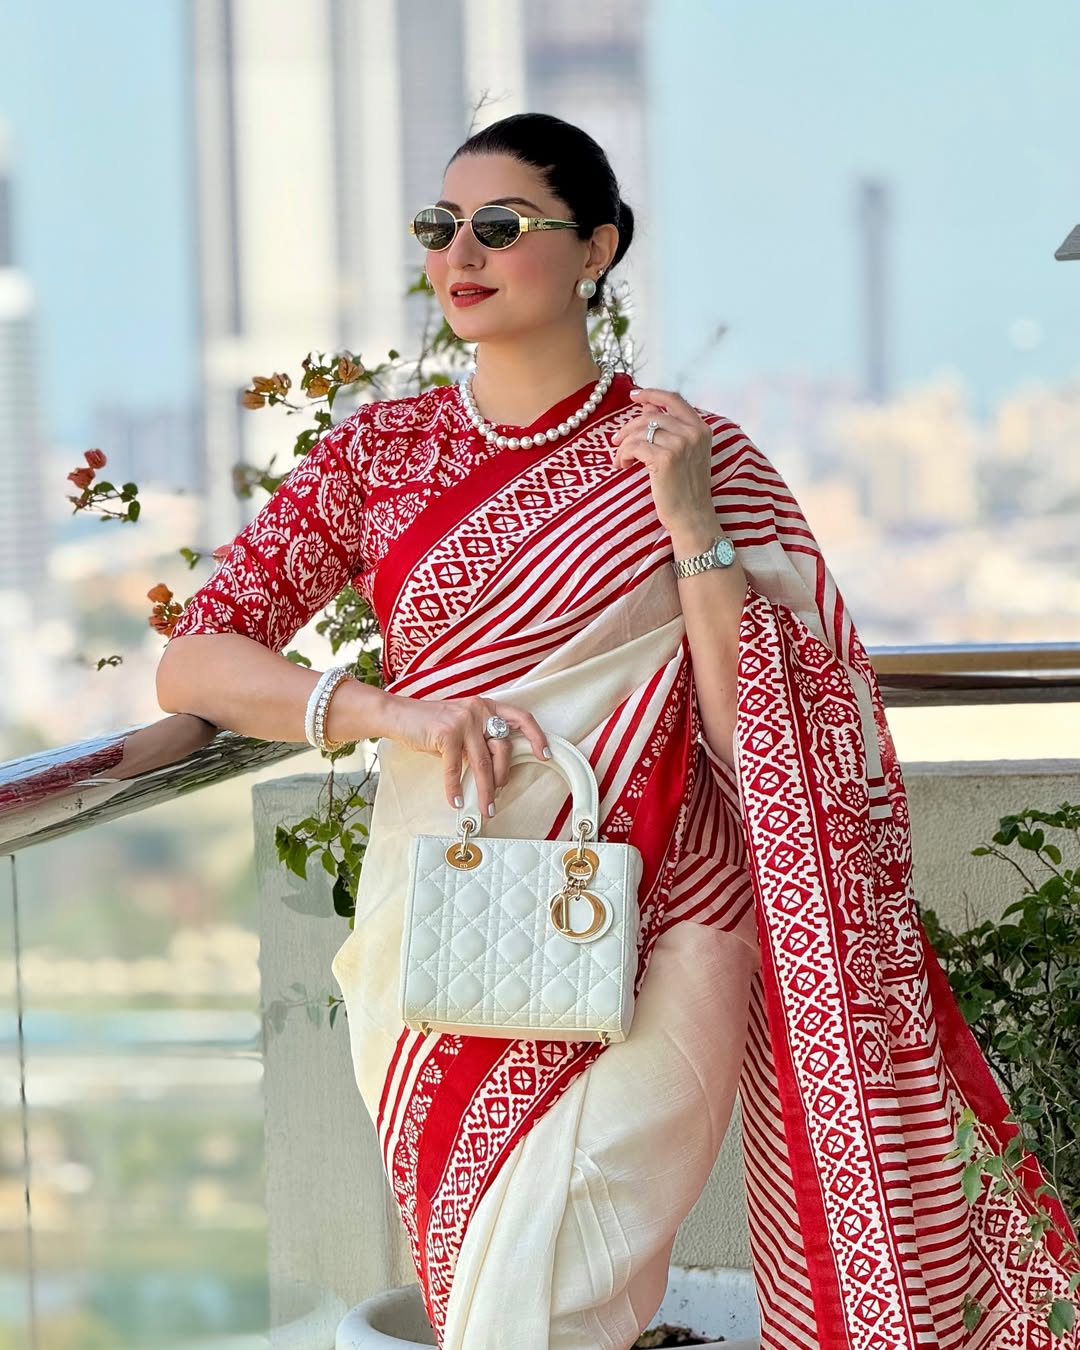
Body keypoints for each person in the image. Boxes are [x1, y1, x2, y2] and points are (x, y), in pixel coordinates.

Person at [156, 113, 1078, 1349]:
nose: (460, 255)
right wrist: (389, 710)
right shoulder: (379, 453)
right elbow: (194, 659)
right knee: (486, 1288)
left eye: (502, 226)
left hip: (660, 921)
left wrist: (688, 519)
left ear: (595, 248)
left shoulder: (694, 452)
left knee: (553, 1293)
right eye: (441, 228)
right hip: (442, 926)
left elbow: (760, 729)